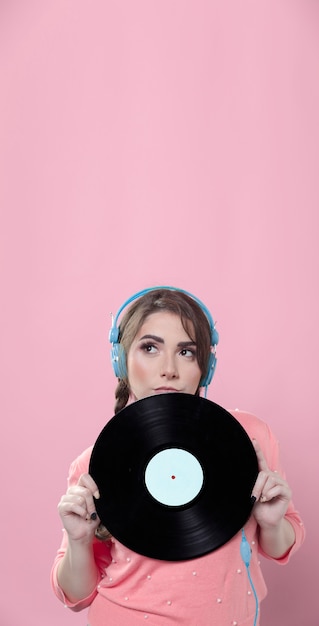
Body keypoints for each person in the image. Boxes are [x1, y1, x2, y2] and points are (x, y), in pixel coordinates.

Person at [51, 286, 305, 626]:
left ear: (206, 366)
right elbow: (76, 595)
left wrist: (272, 523)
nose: (168, 368)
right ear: (121, 360)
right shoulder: (91, 463)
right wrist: (79, 541)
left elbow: (280, 546)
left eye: (186, 351)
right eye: (150, 348)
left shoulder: (251, 437)